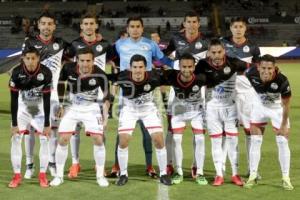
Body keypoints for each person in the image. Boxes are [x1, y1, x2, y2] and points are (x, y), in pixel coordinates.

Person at [109, 16, 173, 178]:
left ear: (142, 28)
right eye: (132, 26)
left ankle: (150, 166)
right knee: (123, 134)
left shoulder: (150, 44)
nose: (135, 29)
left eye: (138, 26)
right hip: (127, 93)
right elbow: (105, 56)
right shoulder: (119, 44)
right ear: (128, 29)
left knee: (149, 132)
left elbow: (163, 59)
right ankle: (117, 166)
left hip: (148, 92)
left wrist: (177, 65)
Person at [50, 48, 110, 187]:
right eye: (82, 60)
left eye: (88, 60)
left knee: (98, 139)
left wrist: (105, 115)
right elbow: (60, 84)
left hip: (92, 108)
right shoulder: (68, 68)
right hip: (72, 106)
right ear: (77, 60)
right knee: (63, 139)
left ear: (93, 61)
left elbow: (107, 96)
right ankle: (59, 176)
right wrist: (62, 105)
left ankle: (100, 176)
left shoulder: (100, 74)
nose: (85, 64)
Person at [66, 12, 114, 179]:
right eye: (85, 23)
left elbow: (116, 61)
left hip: (99, 92)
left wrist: (112, 80)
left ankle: (98, 164)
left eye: (91, 24)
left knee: (100, 131)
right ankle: (75, 163)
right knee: (74, 130)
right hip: (78, 92)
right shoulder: (74, 44)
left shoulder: (105, 44)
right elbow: (68, 64)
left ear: (96, 26)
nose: (88, 26)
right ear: (81, 26)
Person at [195, 38, 248, 186]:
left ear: (224, 51)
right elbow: (196, 80)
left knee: (233, 141)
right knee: (216, 141)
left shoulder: (234, 62)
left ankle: (235, 174)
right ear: (208, 53)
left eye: (219, 52)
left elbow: (252, 68)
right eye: (213, 52)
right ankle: (219, 174)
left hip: (231, 108)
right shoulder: (202, 64)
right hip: (212, 108)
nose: (217, 55)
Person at [114, 54, 171, 186]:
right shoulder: (123, 77)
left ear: (146, 68)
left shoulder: (154, 76)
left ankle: (163, 173)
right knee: (123, 141)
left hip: (148, 109)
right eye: (135, 67)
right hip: (129, 109)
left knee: (158, 139)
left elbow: (169, 78)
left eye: (141, 67)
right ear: (130, 68)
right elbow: (109, 81)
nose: (138, 70)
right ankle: (123, 174)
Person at [22, 12, 68, 178]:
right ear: (39, 25)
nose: (47, 27)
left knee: (52, 131)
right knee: (29, 130)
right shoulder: (30, 43)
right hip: (31, 94)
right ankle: (29, 164)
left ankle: (52, 162)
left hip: (53, 95)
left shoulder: (61, 44)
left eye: (50, 23)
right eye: (44, 23)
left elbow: (79, 53)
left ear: (54, 26)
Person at [163, 11, 209, 178]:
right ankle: (169, 163)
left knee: (199, 132)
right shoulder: (176, 39)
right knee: (171, 130)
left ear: (198, 23)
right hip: (177, 88)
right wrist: (173, 65)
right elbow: (164, 56)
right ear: (184, 24)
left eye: (194, 22)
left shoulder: (205, 41)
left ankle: (196, 166)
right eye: (188, 22)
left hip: (198, 89)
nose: (191, 25)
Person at [244, 54, 293, 190]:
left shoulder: (282, 80)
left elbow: (286, 105)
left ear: (274, 68)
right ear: (258, 67)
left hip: (277, 109)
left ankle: (285, 178)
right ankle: (253, 176)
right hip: (259, 107)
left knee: (282, 141)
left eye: (270, 68)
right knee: (255, 140)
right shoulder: (251, 73)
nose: (266, 71)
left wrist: (283, 125)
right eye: (263, 68)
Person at [220, 16, 261, 177]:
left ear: (245, 29)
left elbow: (258, 69)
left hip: (246, 94)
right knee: (225, 130)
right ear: (230, 28)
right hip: (226, 92)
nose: (238, 29)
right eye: (235, 26)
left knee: (249, 130)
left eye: (240, 26)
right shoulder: (222, 43)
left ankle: (252, 169)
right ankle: (221, 168)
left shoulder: (253, 47)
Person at [8, 47, 52, 188]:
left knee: (45, 140)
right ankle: (16, 176)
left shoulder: (46, 72)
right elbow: (14, 100)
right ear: (23, 59)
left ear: (38, 58)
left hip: (39, 111)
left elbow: (47, 99)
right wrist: (14, 124)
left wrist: (46, 124)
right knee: (15, 139)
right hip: (23, 110)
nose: (31, 61)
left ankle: (42, 176)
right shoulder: (16, 73)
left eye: (34, 58)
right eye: (28, 58)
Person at [163, 53, 208, 185]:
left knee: (200, 139)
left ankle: (199, 171)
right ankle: (179, 172)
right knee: (176, 139)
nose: (186, 70)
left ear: (194, 67)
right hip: (179, 111)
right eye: (183, 67)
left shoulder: (201, 78)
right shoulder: (172, 75)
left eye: (189, 66)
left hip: (196, 111)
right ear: (179, 66)